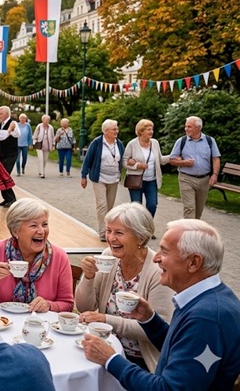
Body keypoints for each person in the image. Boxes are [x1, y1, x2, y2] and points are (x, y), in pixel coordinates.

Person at [82, 219, 240, 391]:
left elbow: (168, 389)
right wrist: (150, 320)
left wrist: (110, 359)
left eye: (164, 252)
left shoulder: (205, 318)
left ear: (194, 262)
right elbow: (180, 347)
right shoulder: (210, 298)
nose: (156, 258)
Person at [75, 203, 174, 371]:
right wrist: (89, 277)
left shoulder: (157, 271)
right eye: (108, 231)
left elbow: (158, 330)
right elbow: (84, 307)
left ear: (141, 238)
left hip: (139, 361)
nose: (111, 238)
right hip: (104, 347)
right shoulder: (108, 257)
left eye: (119, 233)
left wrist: (107, 320)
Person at [0, 198, 74, 312]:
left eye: (44, 224)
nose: (41, 231)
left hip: (40, 326)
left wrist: (49, 305)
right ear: (15, 231)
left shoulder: (59, 256)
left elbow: (67, 304)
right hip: (3, 323)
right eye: (33, 225)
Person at [169, 116, 221, 219]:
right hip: (186, 178)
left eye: (189, 126)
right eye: (185, 126)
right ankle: (188, 233)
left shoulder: (210, 141)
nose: (186, 129)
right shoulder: (181, 141)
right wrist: (184, 163)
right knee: (190, 208)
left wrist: (215, 175)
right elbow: (172, 160)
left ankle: (194, 231)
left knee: (198, 210)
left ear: (198, 128)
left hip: (204, 180)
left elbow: (216, 158)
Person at [81, 119, 125, 242]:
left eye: (117, 128)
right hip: (99, 178)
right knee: (102, 205)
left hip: (114, 178)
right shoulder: (97, 143)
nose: (117, 131)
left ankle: (109, 230)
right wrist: (83, 176)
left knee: (110, 207)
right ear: (106, 131)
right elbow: (87, 159)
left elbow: (124, 158)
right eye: (114, 129)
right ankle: (102, 232)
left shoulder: (119, 143)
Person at [123, 119, 170, 218]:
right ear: (141, 131)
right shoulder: (132, 144)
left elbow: (160, 159)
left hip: (151, 181)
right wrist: (137, 166)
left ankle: (147, 228)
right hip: (136, 180)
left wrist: (173, 157)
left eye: (152, 129)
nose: (151, 131)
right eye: (148, 129)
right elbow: (124, 161)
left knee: (152, 205)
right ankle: (137, 230)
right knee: (137, 208)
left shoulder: (155, 143)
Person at [0, 106, 21, 207]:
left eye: (0, 114)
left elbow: (18, 134)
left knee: (4, 176)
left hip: (11, 154)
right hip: (3, 154)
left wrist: (10, 130)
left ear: (6, 114)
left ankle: (12, 199)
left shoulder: (13, 123)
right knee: (1, 176)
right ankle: (6, 198)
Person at [32, 114, 55, 178]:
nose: (47, 121)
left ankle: (41, 171)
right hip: (39, 144)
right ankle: (42, 173)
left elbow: (53, 137)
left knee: (45, 160)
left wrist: (53, 145)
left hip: (47, 145)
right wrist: (34, 142)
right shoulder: (39, 126)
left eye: (48, 120)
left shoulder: (51, 127)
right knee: (40, 159)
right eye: (45, 120)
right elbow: (35, 134)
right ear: (42, 120)